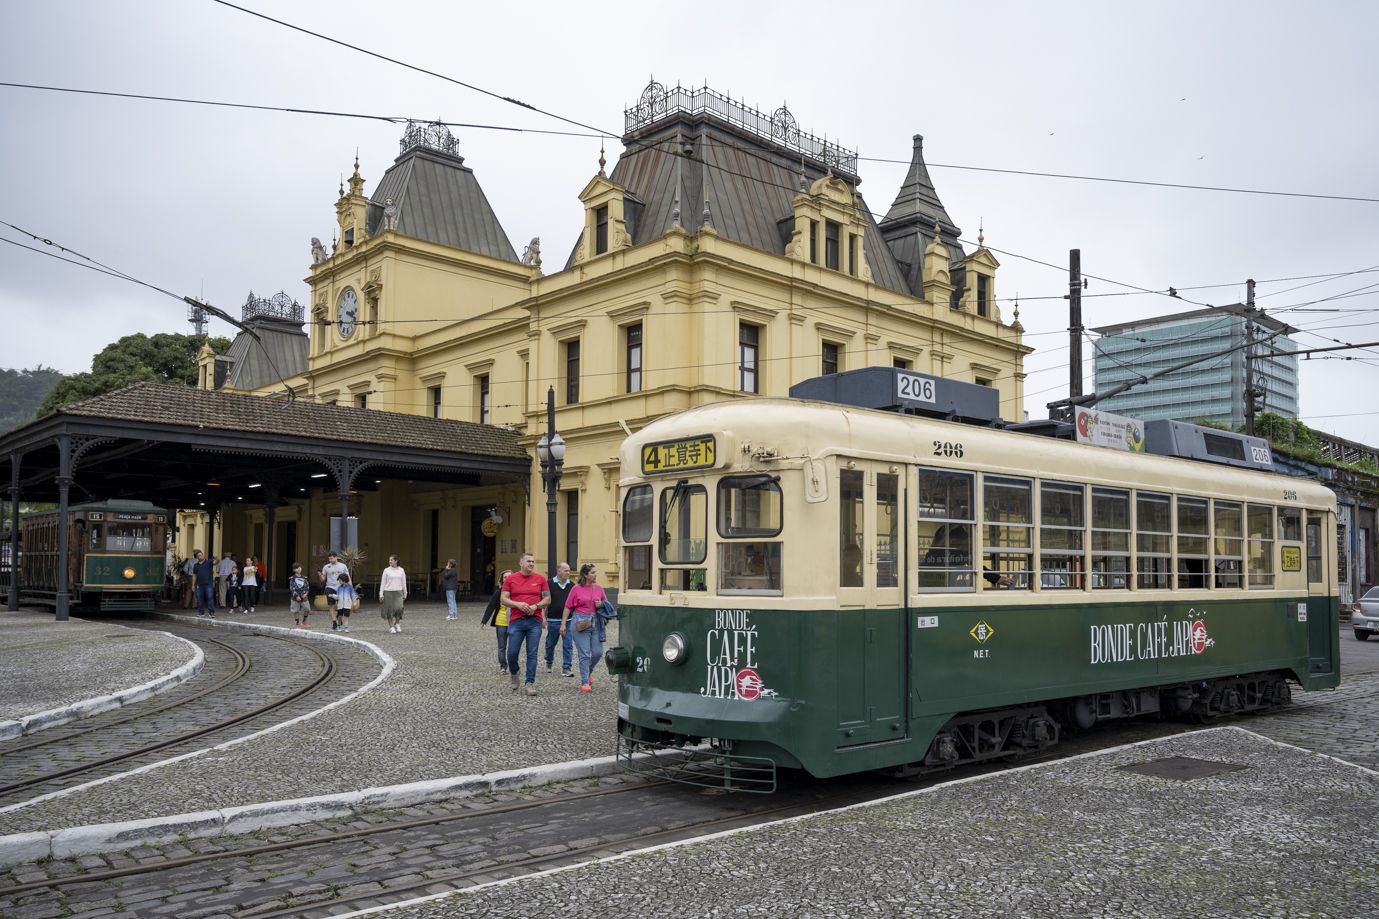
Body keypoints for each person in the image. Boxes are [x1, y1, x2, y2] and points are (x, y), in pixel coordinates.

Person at [502, 552, 550, 696]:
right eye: (528, 561)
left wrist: (535, 606)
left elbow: (547, 599)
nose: (531, 564)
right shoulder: (511, 579)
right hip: (516, 621)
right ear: (521, 563)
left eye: (533, 562)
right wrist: (518, 604)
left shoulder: (541, 579)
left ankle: (530, 682)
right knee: (512, 653)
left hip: (534, 621)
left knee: (532, 653)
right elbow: (503, 599)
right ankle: (514, 672)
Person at [561, 563, 608, 693]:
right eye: (592, 572)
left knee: (598, 652)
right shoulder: (576, 589)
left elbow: (606, 604)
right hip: (580, 622)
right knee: (585, 653)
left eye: (595, 572)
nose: (595, 574)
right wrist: (563, 624)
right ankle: (585, 682)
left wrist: (601, 604)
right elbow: (567, 607)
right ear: (585, 575)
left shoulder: (599, 588)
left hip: (596, 622)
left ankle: (588, 672)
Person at [544, 562, 575, 677]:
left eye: (569, 571)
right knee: (551, 643)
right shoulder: (549, 584)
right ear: (559, 571)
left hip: (568, 620)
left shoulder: (572, 585)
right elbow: (543, 601)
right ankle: (549, 661)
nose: (568, 573)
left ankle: (567, 667)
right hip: (553, 620)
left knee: (568, 644)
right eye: (566, 571)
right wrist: (543, 617)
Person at [480, 569, 512, 672]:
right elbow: (491, 606)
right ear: (502, 580)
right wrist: (484, 621)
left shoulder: (518, 591)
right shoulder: (499, 592)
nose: (507, 579)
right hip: (501, 621)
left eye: (509, 577)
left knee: (513, 647)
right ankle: (503, 666)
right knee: (502, 646)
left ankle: (513, 666)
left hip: (514, 622)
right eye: (505, 577)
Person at [320, 552, 349, 631]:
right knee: (331, 605)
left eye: (331, 558)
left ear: (336, 557)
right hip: (330, 587)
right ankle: (334, 622)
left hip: (341, 587)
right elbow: (323, 579)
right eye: (329, 559)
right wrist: (320, 575)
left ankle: (339, 619)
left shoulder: (343, 566)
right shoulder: (326, 567)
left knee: (341, 606)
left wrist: (350, 587)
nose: (330, 560)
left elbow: (347, 577)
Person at [378, 555, 408, 633]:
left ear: (396, 561)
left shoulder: (401, 570)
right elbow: (383, 583)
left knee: (400, 608)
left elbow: (404, 582)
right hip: (388, 592)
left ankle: (397, 623)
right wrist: (381, 594)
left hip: (398, 592)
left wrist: (405, 592)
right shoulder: (386, 570)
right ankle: (391, 627)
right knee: (389, 610)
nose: (390, 561)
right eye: (389, 560)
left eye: (391, 560)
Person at [192, 550, 216, 619]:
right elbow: (194, 575)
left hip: (208, 584)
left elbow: (216, 562)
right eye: (199, 555)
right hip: (199, 585)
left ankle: (211, 613)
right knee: (199, 599)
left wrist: (216, 558)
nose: (200, 556)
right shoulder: (195, 565)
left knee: (210, 598)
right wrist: (193, 585)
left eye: (201, 555)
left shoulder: (208, 562)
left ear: (203, 555)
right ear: (197, 557)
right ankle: (201, 612)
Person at [288, 563, 311, 628]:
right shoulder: (292, 578)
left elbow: (307, 587)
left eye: (299, 567)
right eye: (296, 568)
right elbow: (292, 588)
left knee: (307, 609)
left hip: (304, 596)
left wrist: (306, 594)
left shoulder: (304, 578)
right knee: (296, 610)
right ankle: (297, 623)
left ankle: (304, 620)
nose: (298, 569)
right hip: (295, 597)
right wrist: (296, 596)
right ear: (294, 570)